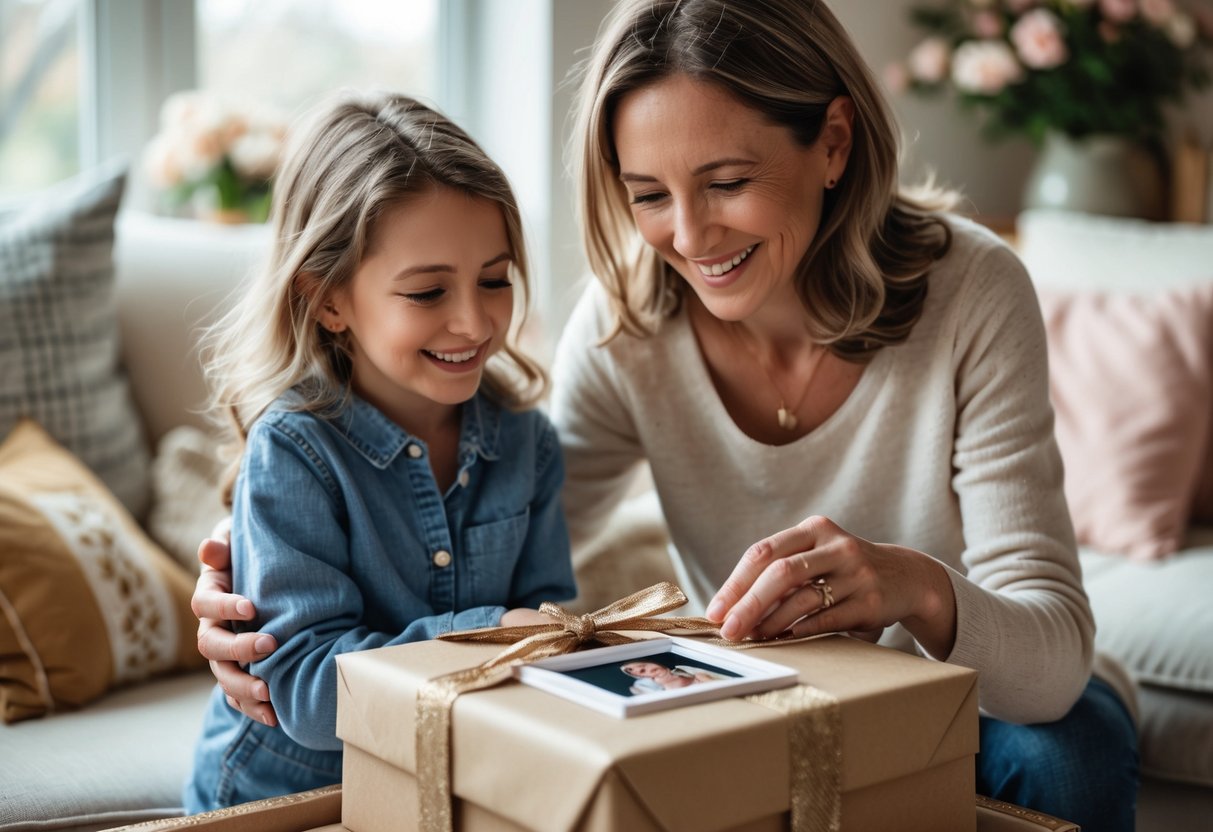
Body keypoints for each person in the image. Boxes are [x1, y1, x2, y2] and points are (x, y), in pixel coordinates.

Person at [188, 2, 1138, 828]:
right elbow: (484, 526)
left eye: (726, 182)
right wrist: (243, 602)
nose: (688, 236)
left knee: (1068, 752)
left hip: (989, 696)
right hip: (782, 703)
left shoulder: (973, 291)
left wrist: (915, 588)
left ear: (834, 143)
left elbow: (1052, 660)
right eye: (648, 195)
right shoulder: (624, 327)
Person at [181, 90, 575, 813]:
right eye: (426, 292)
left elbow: (550, 630)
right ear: (328, 300)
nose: (473, 320)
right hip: (288, 796)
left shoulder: (527, 443)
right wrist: (490, 638)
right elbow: (301, 690)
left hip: (445, 784)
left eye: (494, 279)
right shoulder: (296, 449)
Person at [620, 661, 733, 695]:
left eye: (644, 666)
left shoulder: (695, 674)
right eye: (643, 672)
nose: (650, 670)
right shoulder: (666, 692)